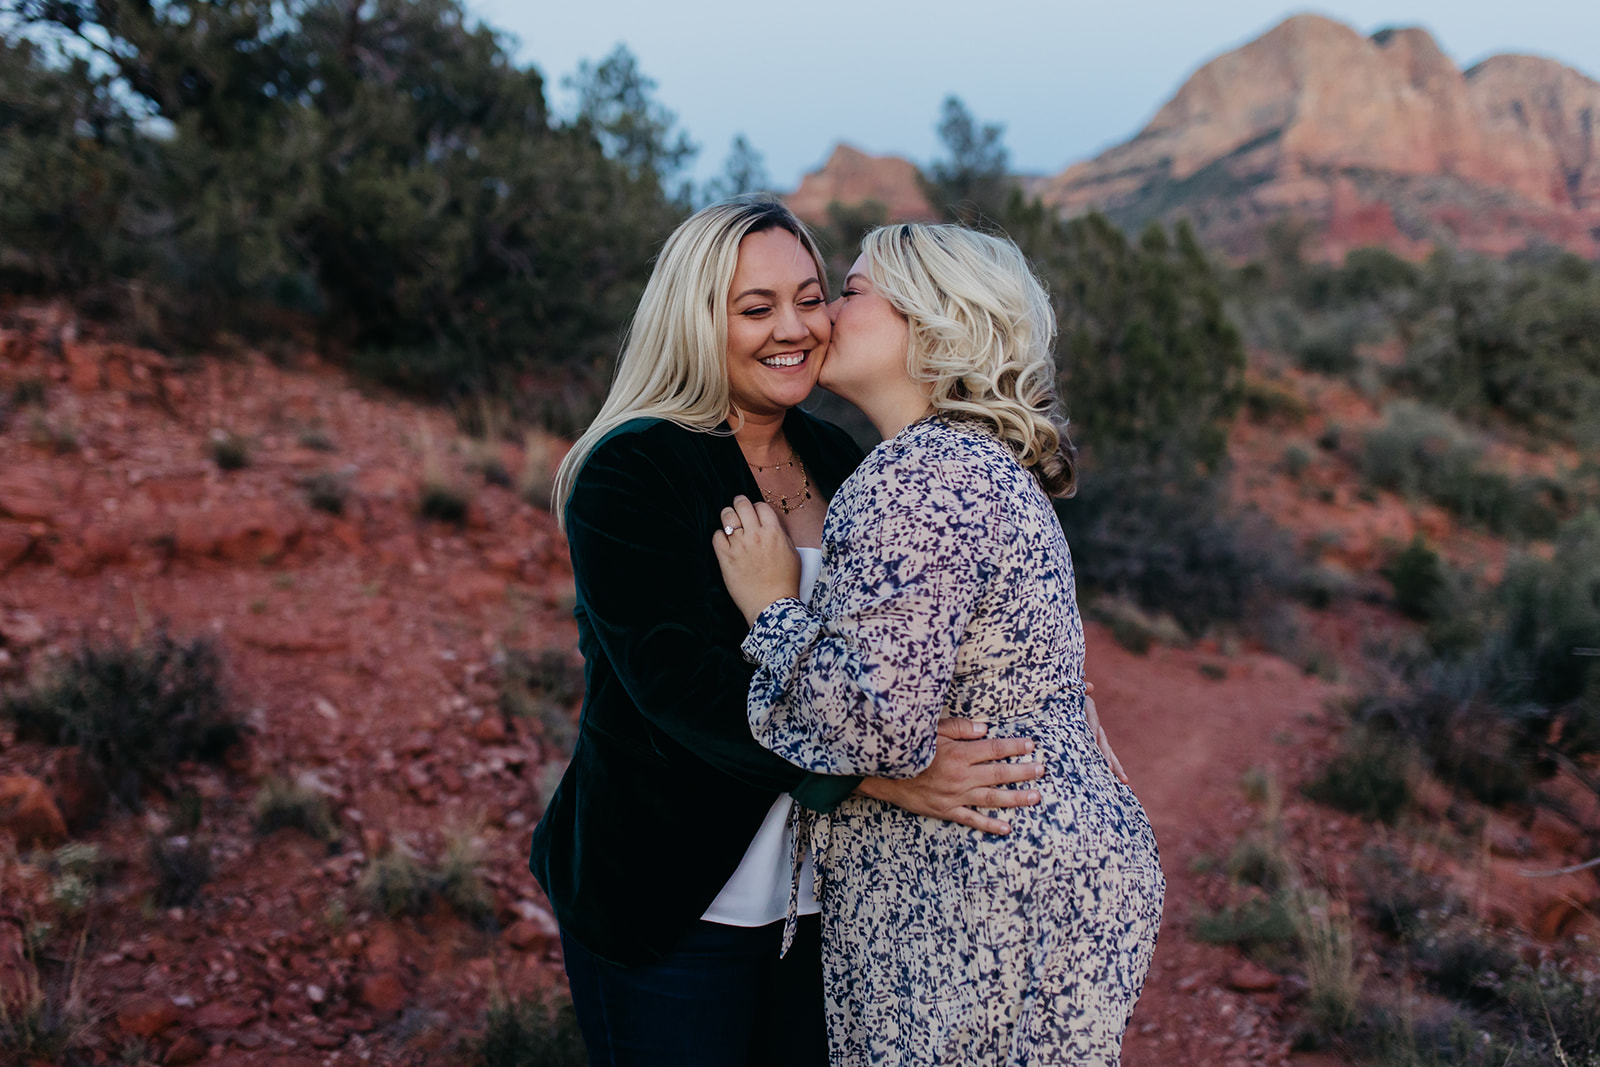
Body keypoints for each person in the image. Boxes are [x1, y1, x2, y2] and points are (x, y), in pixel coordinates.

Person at [527, 196, 1053, 1067]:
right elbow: (680, 693)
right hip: (675, 901)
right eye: (756, 307)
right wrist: (887, 781)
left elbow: (924, 637)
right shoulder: (632, 469)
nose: (795, 328)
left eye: (812, 298)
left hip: (821, 906)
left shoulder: (845, 459)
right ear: (698, 320)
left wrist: (1060, 700)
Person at [715, 222, 1165, 1066]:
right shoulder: (979, 463)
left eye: (850, 291)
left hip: (977, 885)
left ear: (930, 321)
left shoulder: (915, 477)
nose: (824, 315)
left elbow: (868, 727)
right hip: (1042, 866)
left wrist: (772, 608)